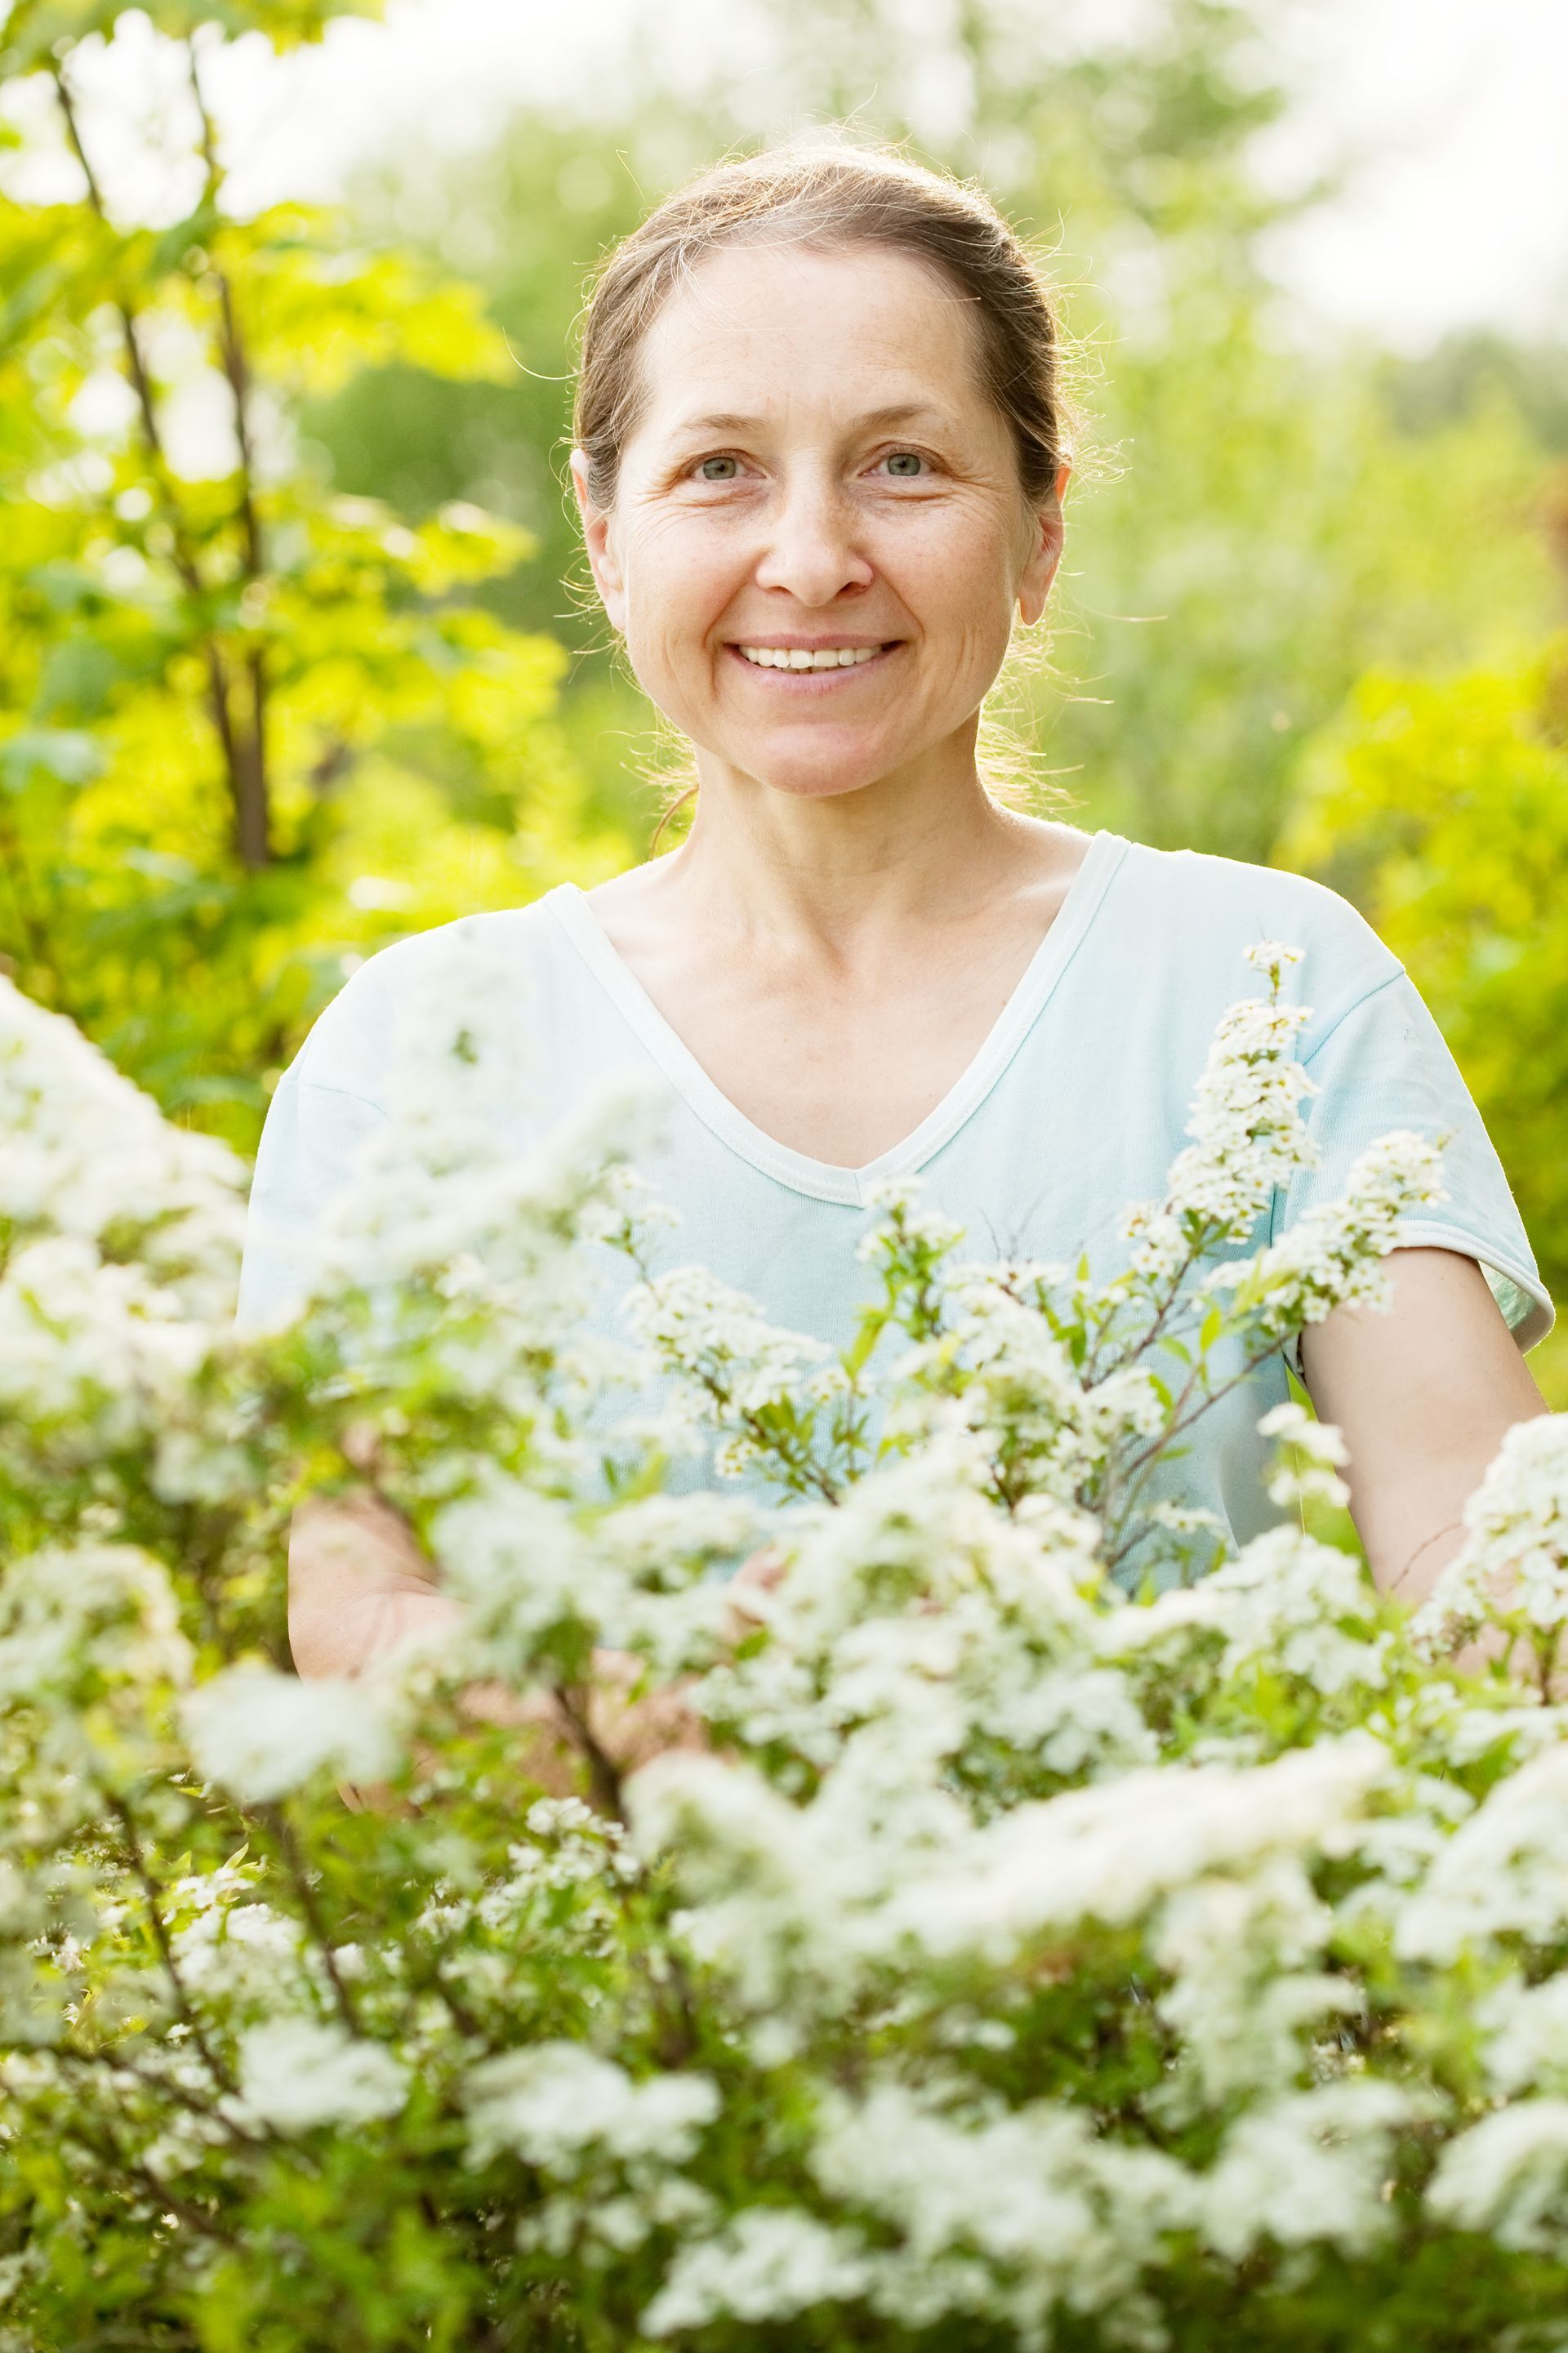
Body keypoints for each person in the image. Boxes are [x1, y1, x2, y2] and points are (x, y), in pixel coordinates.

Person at [241, 142, 1550, 1704]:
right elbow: (361, 1620)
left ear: (1040, 530)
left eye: (904, 465)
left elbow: (1486, 1575)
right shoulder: (418, 1056)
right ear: (603, 533)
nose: (811, 562)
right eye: (719, 469)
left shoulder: (1273, 994)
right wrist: (669, 1718)